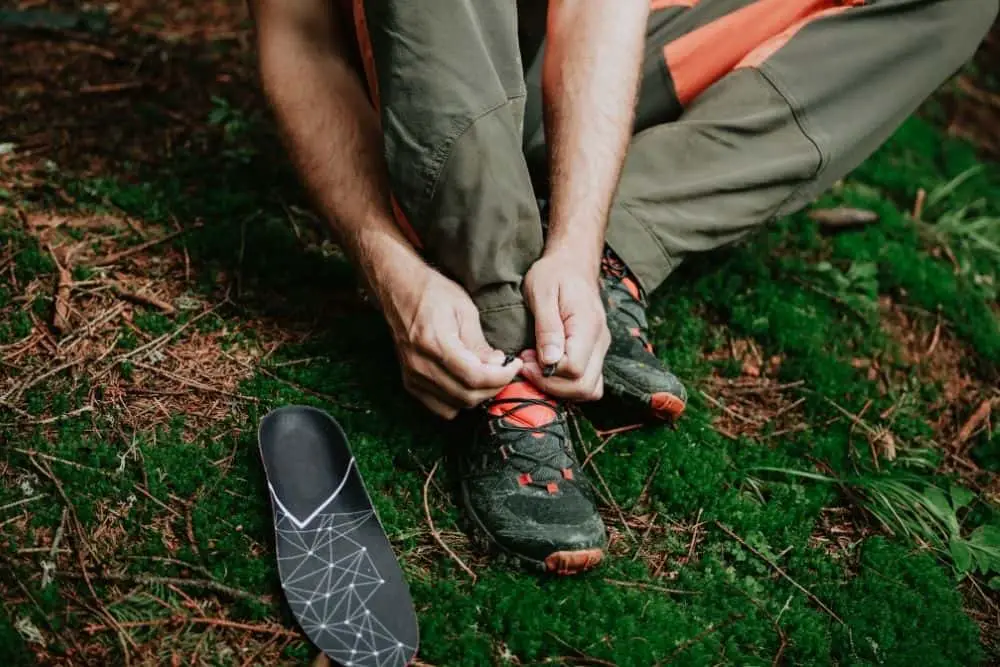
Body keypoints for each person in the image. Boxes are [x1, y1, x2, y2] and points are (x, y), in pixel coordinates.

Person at [249, 0, 997, 575]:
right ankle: (503, 323)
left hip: (586, 73)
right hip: (418, 78)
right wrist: (391, 269)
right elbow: (300, 40)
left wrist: (578, 243)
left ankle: (615, 246)